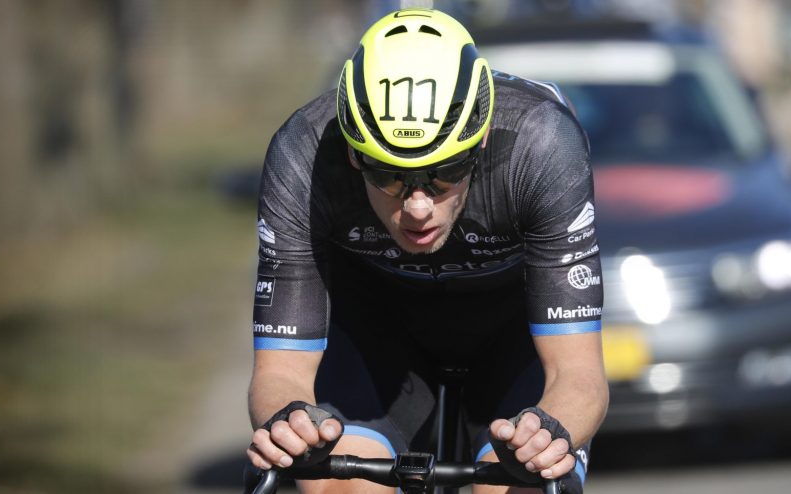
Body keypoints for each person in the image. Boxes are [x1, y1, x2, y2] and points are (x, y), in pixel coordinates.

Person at [245, 8, 607, 494]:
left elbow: (578, 371)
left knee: (526, 483)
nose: (418, 207)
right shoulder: (304, 154)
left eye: (445, 173)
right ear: (353, 154)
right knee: (337, 488)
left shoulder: (539, 144)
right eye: (388, 174)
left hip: (512, 332)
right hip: (374, 330)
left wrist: (547, 436)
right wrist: (290, 425)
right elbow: (281, 372)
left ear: (477, 147)